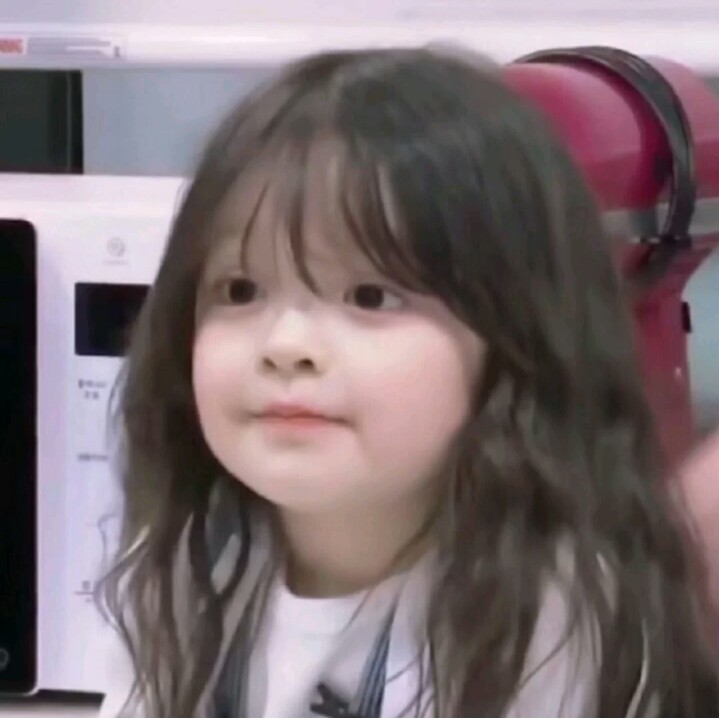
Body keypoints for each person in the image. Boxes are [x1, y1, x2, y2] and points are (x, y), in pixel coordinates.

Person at [97, 47, 719, 717]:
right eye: (240, 289)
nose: (285, 347)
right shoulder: (187, 567)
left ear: (514, 338)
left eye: (370, 296)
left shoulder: (552, 617)